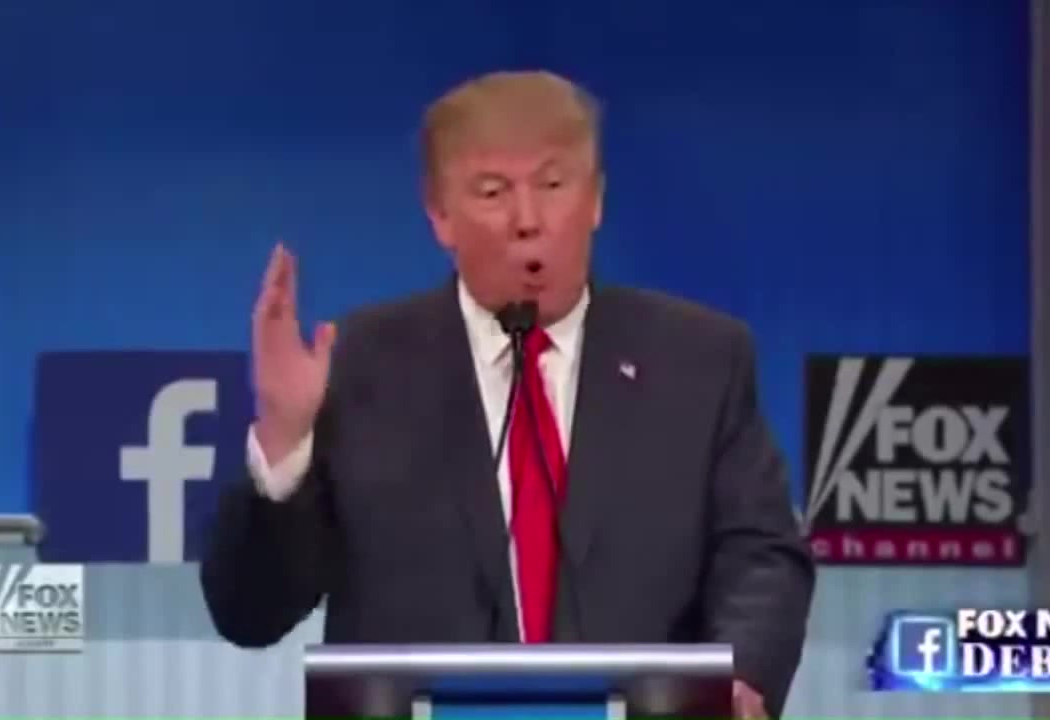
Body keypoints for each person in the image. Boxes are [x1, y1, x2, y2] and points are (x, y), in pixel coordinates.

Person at [200, 70, 815, 720]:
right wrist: (286, 441)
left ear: (596, 200)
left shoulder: (699, 360)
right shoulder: (360, 368)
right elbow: (250, 614)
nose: (528, 221)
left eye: (553, 185)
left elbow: (762, 556)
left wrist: (741, 678)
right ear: (440, 215)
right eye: (493, 192)